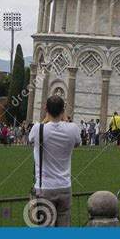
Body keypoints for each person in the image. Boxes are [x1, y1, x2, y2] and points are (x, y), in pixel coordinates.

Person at [28, 94, 81, 227]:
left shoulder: (38, 129)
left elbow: (30, 139)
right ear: (63, 111)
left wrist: (46, 117)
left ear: (46, 109)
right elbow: (77, 143)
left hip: (45, 187)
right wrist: (63, 118)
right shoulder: (73, 128)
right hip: (65, 186)